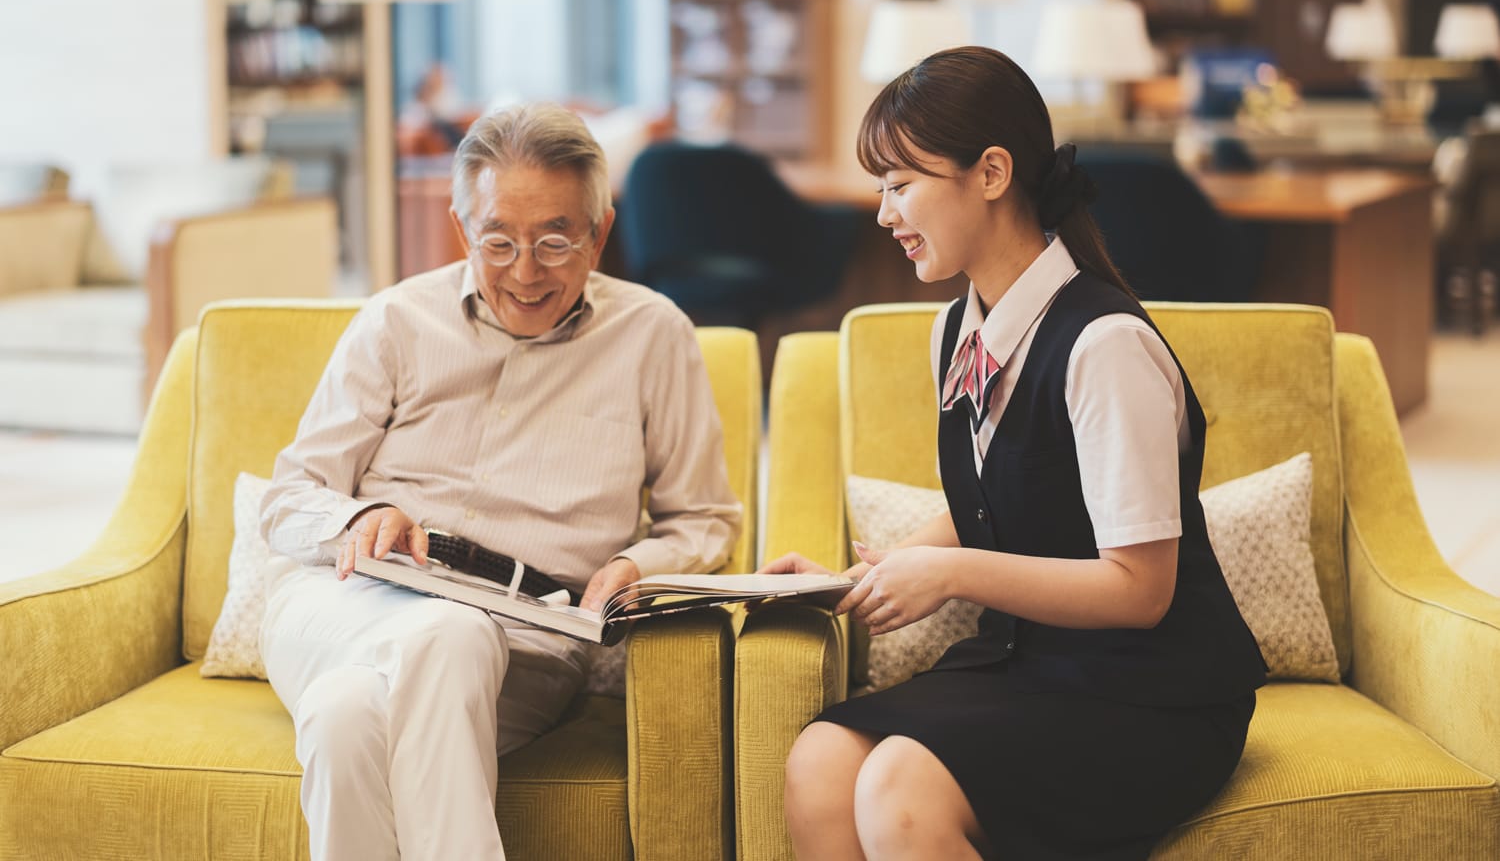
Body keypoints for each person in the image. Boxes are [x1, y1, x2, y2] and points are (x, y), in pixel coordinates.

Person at [765, 46, 1267, 860]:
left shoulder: (1104, 345)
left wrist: (953, 577)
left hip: (1153, 693)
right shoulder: (955, 328)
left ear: (992, 173)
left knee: (900, 783)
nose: (885, 215)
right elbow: (996, 506)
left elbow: (1141, 591)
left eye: (901, 186)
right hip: (1029, 663)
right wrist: (856, 579)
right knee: (821, 761)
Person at [258, 102, 742, 861]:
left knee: (345, 721)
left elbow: (705, 518)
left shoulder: (653, 336)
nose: (525, 271)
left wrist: (634, 565)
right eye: (498, 241)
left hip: (527, 642)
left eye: (554, 241)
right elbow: (287, 497)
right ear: (461, 230)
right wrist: (359, 519)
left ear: (600, 233)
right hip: (347, 603)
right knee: (446, 630)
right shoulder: (395, 322)